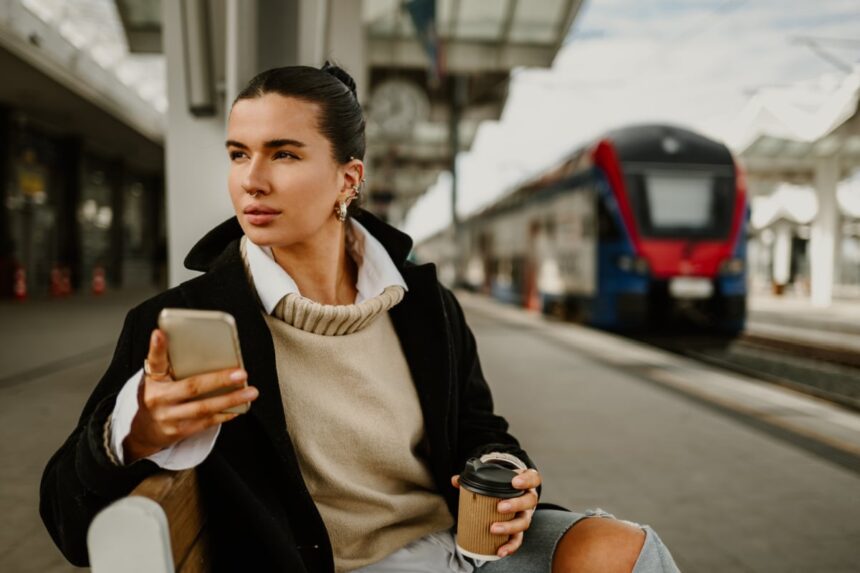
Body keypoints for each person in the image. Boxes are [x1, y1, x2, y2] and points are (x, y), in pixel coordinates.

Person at [40, 63, 680, 573]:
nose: (251, 181)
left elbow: (481, 430)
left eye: (284, 154)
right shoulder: (182, 318)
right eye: (239, 154)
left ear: (348, 179)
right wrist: (134, 431)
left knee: (620, 547)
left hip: (467, 547)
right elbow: (67, 523)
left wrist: (508, 476)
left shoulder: (423, 301)